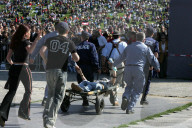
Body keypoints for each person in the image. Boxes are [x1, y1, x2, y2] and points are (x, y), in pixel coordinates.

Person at [40, 22, 79, 128]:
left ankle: (46, 116)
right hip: (61, 71)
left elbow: (41, 51)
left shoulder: (49, 40)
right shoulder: (69, 42)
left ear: (57, 30)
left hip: (49, 69)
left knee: (50, 94)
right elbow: (76, 58)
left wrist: (46, 60)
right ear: (67, 31)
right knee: (58, 96)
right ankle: (50, 121)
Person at [0, 24, 40, 127]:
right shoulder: (25, 42)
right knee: (29, 90)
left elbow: (8, 58)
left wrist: (14, 64)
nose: (30, 33)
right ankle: (23, 112)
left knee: (12, 91)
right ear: (25, 33)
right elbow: (30, 51)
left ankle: (1, 113)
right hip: (24, 68)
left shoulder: (14, 42)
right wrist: (36, 41)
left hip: (15, 68)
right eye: (28, 32)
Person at [111, 32, 160, 114]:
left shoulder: (129, 47)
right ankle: (130, 108)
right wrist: (157, 67)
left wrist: (114, 64)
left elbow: (121, 58)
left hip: (127, 68)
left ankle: (125, 96)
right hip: (139, 69)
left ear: (136, 38)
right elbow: (152, 59)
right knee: (137, 89)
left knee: (129, 86)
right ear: (144, 40)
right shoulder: (146, 48)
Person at [30, 24, 58, 106]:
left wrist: (33, 56)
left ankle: (48, 97)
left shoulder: (47, 36)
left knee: (51, 79)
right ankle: (49, 97)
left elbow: (38, 46)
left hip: (46, 60)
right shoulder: (62, 36)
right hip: (56, 61)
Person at [102, 31, 127, 106]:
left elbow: (103, 56)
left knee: (112, 79)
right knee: (117, 82)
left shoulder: (108, 44)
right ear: (119, 36)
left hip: (111, 64)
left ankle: (111, 90)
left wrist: (103, 66)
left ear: (112, 37)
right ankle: (114, 97)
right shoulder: (123, 44)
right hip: (120, 64)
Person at [76, 31, 100, 106]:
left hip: (80, 67)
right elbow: (94, 57)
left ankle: (84, 99)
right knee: (89, 83)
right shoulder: (91, 45)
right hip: (89, 67)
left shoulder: (77, 46)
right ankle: (87, 98)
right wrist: (97, 67)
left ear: (82, 37)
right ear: (88, 38)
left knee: (81, 84)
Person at [140, 27, 159, 105]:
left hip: (141, 64)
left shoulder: (142, 41)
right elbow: (156, 54)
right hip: (149, 65)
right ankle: (143, 99)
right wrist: (153, 64)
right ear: (153, 34)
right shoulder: (155, 42)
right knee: (147, 82)